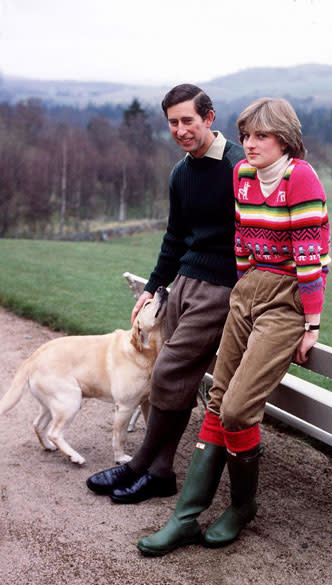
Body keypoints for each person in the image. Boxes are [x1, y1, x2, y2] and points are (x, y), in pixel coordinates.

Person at [136, 97, 331, 556]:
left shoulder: (298, 177)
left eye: (261, 136)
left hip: (286, 297)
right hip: (247, 291)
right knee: (219, 400)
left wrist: (312, 323)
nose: (250, 144)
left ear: (284, 138)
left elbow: (308, 256)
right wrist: (243, 288)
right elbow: (242, 238)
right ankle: (185, 518)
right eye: (246, 136)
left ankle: (243, 506)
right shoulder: (243, 175)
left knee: (239, 408)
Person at [86, 84, 244, 503]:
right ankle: (159, 473)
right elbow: (175, 238)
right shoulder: (181, 173)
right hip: (184, 286)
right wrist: (155, 287)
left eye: (188, 120)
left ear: (209, 118)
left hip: (223, 290)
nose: (180, 130)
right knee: (175, 379)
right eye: (173, 122)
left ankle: (139, 465)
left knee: (167, 373)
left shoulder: (238, 167)